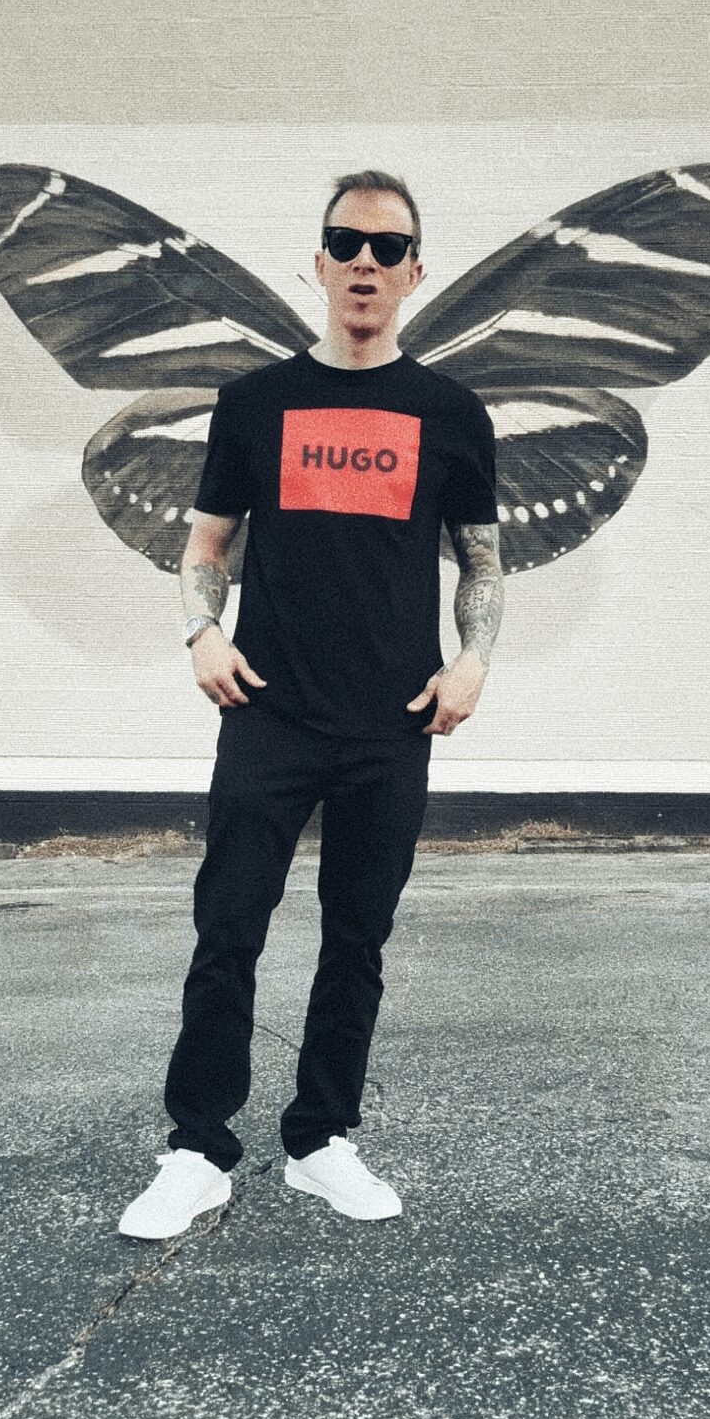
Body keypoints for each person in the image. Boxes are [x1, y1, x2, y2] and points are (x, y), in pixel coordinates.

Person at [117, 167, 504, 1239]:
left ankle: (321, 1139)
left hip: (393, 719)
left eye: (389, 248)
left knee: (356, 939)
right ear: (319, 265)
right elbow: (205, 546)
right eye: (346, 244)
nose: (365, 263)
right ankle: (197, 1150)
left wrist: (473, 660)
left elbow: (481, 560)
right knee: (227, 931)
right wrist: (201, 632)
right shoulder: (256, 403)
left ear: (415, 272)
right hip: (270, 714)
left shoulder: (450, 412)